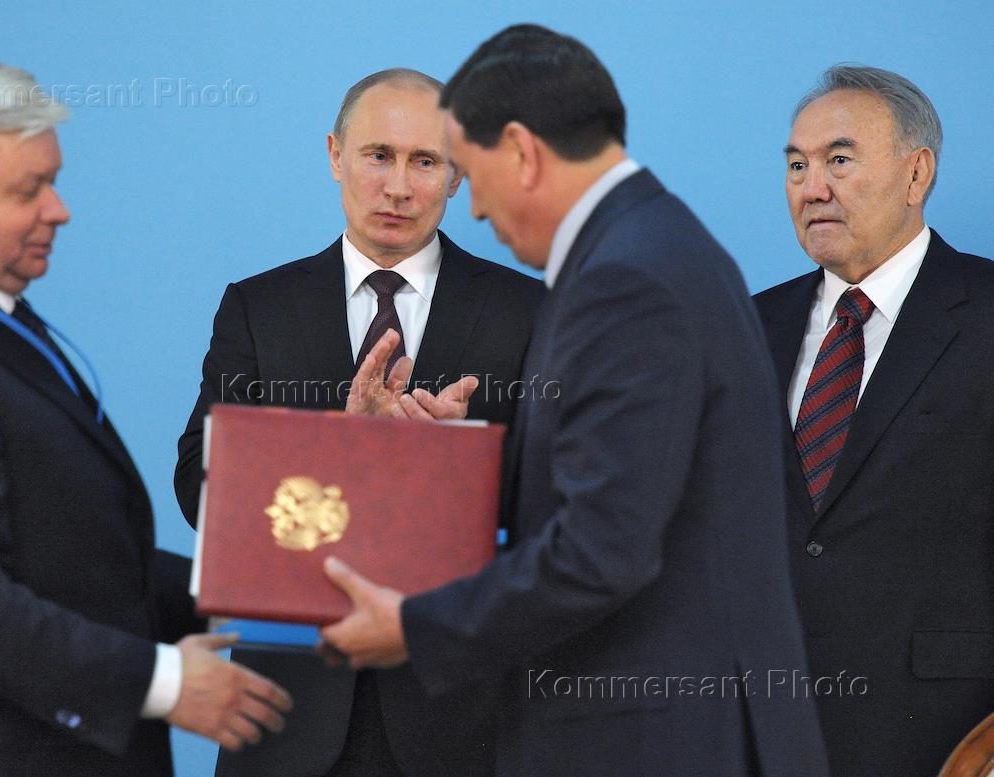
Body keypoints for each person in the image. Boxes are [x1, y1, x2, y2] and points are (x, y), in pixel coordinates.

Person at [319, 25, 828, 777]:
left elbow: (601, 550)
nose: (475, 211)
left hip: (655, 741)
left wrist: (415, 626)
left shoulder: (624, 279)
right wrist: (452, 461)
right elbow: (633, 486)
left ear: (521, 152)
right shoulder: (656, 246)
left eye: (469, 173)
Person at [0, 59, 291, 777]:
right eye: (28, 189)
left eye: (53, 182)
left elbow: (69, 559)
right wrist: (163, 682)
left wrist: (234, 594)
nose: (59, 209)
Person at [174, 68, 543, 777]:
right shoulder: (258, 307)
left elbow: (562, 515)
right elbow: (201, 488)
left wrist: (451, 462)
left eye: (425, 161)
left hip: (463, 721)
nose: (398, 187)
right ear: (335, 155)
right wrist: (346, 446)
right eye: (378, 155)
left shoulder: (526, 313)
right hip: (284, 713)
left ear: (458, 174)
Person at [753, 64, 994, 776]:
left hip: (948, 736)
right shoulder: (748, 325)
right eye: (796, 165)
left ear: (917, 173)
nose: (812, 187)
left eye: (839, 159)